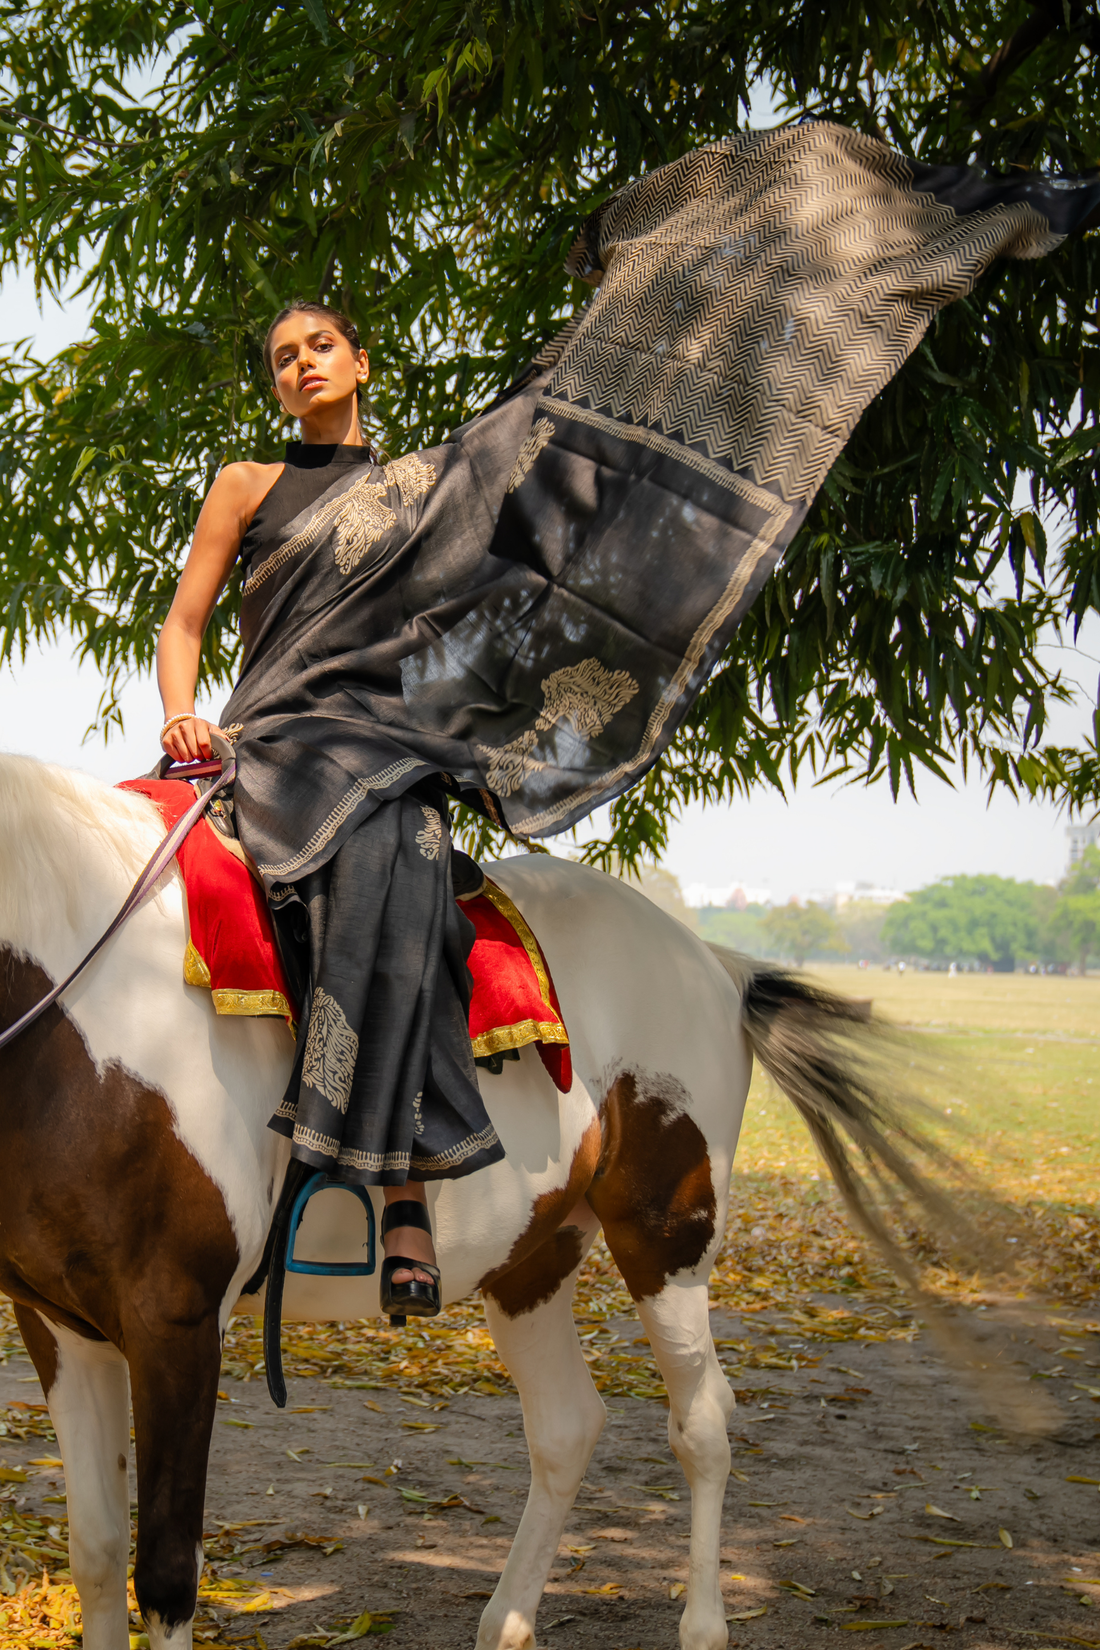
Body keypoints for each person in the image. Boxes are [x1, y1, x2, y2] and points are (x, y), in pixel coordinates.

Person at [156, 302, 506, 1324]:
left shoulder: (424, 493)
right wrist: (181, 713)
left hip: (384, 745)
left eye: (319, 347)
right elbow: (185, 623)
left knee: (406, 848)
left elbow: (457, 637)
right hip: (269, 737)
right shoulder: (246, 484)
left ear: (360, 361)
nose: (301, 365)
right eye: (282, 358)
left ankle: (404, 1197)